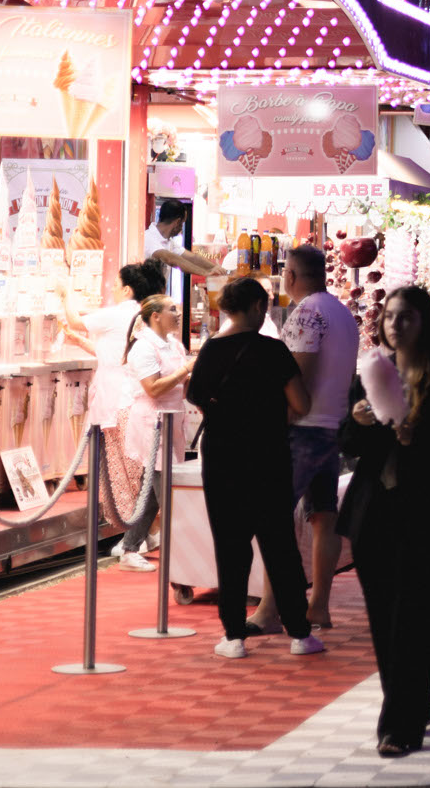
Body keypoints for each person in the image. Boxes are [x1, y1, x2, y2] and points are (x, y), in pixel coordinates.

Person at [340, 285, 430, 757]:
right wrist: (360, 422)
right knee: (383, 618)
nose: (395, 326)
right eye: (390, 318)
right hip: (373, 511)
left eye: (406, 318)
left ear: (424, 323)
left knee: (416, 616)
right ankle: (410, 704)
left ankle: (399, 723)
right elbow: (347, 443)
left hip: (423, 512)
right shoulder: (373, 370)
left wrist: (418, 436)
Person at [183, 279, 321, 660]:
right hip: (269, 456)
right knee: (279, 544)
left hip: (223, 457)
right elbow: (302, 403)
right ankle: (300, 633)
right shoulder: (274, 351)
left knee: (230, 545)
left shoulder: (211, 350)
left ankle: (233, 635)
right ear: (259, 306)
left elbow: (196, 397)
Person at [248, 245, 359, 636]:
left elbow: (296, 378)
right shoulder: (342, 312)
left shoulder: (309, 312)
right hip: (331, 427)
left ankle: (269, 609)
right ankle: (319, 606)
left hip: (302, 428)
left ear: (291, 275)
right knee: (323, 519)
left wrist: (280, 418)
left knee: (276, 519)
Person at [85, 261, 166, 555]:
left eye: (115, 284)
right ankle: (144, 536)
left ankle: (138, 539)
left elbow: (75, 318)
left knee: (134, 480)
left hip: (128, 409)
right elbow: (115, 355)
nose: (112, 289)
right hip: (135, 410)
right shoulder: (142, 323)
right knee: (142, 479)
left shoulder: (130, 318)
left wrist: (64, 293)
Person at [113, 291, 193, 568]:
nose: (178, 314)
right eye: (173, 309)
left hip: (173, 420)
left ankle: (130, 547)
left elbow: (182, 383)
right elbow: (153, 388)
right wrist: (186, 371)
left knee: (151, 491)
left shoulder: (173, 344)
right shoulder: (143, 347)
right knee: (166, 488)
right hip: (153, 424)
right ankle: (184, 552)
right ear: (156, 316)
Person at [142, 198, 217, 308]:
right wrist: (205, 273)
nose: (181, 229)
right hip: (145, 301)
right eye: (182, 223)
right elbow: (171, 259)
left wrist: (215, 268)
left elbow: (193, 257)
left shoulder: (168, 241)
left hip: (156, 300)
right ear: (177, 222)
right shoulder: (149, 237)